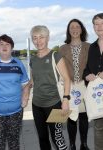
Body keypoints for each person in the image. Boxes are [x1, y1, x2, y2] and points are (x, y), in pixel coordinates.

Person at [0, 34, 29, 150]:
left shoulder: (18, 64)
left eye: (7, 44)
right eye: (1, 44)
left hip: (16, 112)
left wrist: (25, 98)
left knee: (14, 142)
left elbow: (26, 84)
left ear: (12, 48)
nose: (4, 46)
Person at [28, 25, 71, 150]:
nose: (38, 41)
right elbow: (32, 81)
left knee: (57, 139)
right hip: (37, 105)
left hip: (54, 104)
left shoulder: (55, 56)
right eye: (35, 38)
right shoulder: (33, 59)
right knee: (42, 138)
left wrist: (66, 100)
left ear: (48, 38)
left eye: (41, 37)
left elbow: (67, 79)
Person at [59, 19, 90, 150]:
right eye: (72, 27)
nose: (75, 29)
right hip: (69, 86)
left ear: (81, 29)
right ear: (68, 30)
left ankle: (84, 144)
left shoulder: (89, 46)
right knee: (71, 117)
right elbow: (58, 68)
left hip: (84, 85)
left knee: (83, 116)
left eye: (78, 26)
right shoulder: (62, 48)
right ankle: (72, 145)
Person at [83, 13, 103, 150]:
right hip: (98, 97)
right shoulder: (92, 47)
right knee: (99, 129)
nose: (99, 27)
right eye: (96, 24)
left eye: (102, 23)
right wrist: (87, 75)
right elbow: (86, 69)